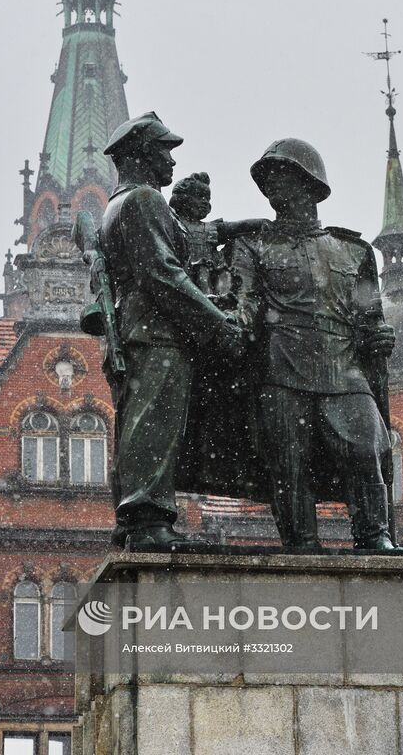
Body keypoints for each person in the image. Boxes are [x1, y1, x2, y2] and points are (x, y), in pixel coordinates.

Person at [232, 138, 398, 550]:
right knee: (289, 466)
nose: (270, 187)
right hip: (281, 369)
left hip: (344, 370)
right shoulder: (251, 245)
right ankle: (301, 545)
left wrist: (379, 335)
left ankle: (374, 536)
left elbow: (369, 316)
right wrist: (229, 326)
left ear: (308, 183)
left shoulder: (353, 250)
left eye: (280, 176)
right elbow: (244, 304)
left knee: (366, 450)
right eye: (266, 179)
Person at [100, 112, 243, 551]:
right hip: (157, 331)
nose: (172, 161)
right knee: (154, 423)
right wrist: (216, 322)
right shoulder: (144, 199)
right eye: (165, 150)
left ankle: (135, 519)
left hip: (139, 329)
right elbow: (163, 274)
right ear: (142, 154)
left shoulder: (119, 204)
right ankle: (148, 522)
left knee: (140, 422)